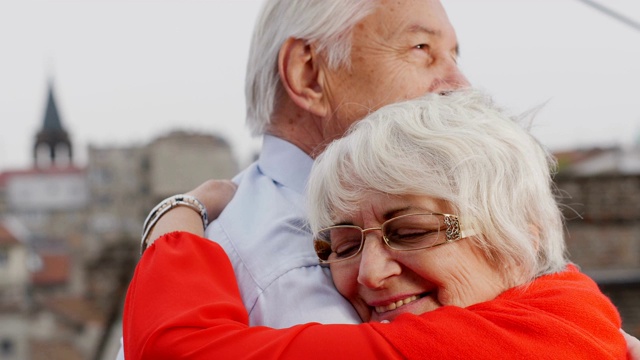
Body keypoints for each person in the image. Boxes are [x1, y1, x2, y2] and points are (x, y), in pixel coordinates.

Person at [124, 89, 628, 359]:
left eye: (410, 231)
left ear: (520, 234)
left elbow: (178, 352)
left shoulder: (494, 344)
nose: (369, 273)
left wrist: (177, 220)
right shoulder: (574, 314)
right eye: (343, 244)